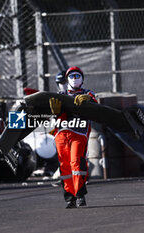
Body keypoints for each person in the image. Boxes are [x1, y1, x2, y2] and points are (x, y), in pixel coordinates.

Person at [49, 66, 97, 208]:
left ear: (82, 79)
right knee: (64, 166)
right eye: (72, 76)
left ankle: (80, 194)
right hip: (61, 134)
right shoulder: (60, 95)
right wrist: (56, 112)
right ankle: (70, 197)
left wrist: (89, 99)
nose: (75, 79)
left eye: (77, 76)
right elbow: (56, 119)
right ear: (67, 79)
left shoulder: (88, 93)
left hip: (79, 133)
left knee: (77, 163)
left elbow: (96, 107)